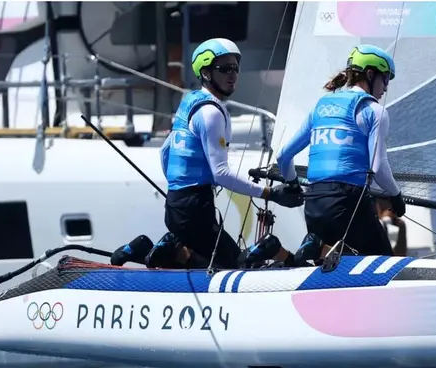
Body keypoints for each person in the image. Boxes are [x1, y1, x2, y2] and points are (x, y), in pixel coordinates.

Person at [111, 38, 303, 270]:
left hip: (176, 202)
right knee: (231, 268)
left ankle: (143, 249)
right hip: (196, 207)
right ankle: (265, 247)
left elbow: (166, 151)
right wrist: (270, 194)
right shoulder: (211, 113)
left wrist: (179, 185)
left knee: (188, 267)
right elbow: (221, 173)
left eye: (235, 68)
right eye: (225, 69)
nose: (233, 75)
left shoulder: (190, 101)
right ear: (206, 73)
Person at [276, 44, 405, 261]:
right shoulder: (374, 111)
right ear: (370, 74)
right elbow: (378, 167)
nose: (386, 87)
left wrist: (293, 185)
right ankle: (318, 247)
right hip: (348, 202)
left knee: (339, 265)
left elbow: (283, 156)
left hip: (314, 201)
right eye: (385, 79)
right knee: (382, 263)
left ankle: (314, 248)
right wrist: (396, 196)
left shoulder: (320, 107)